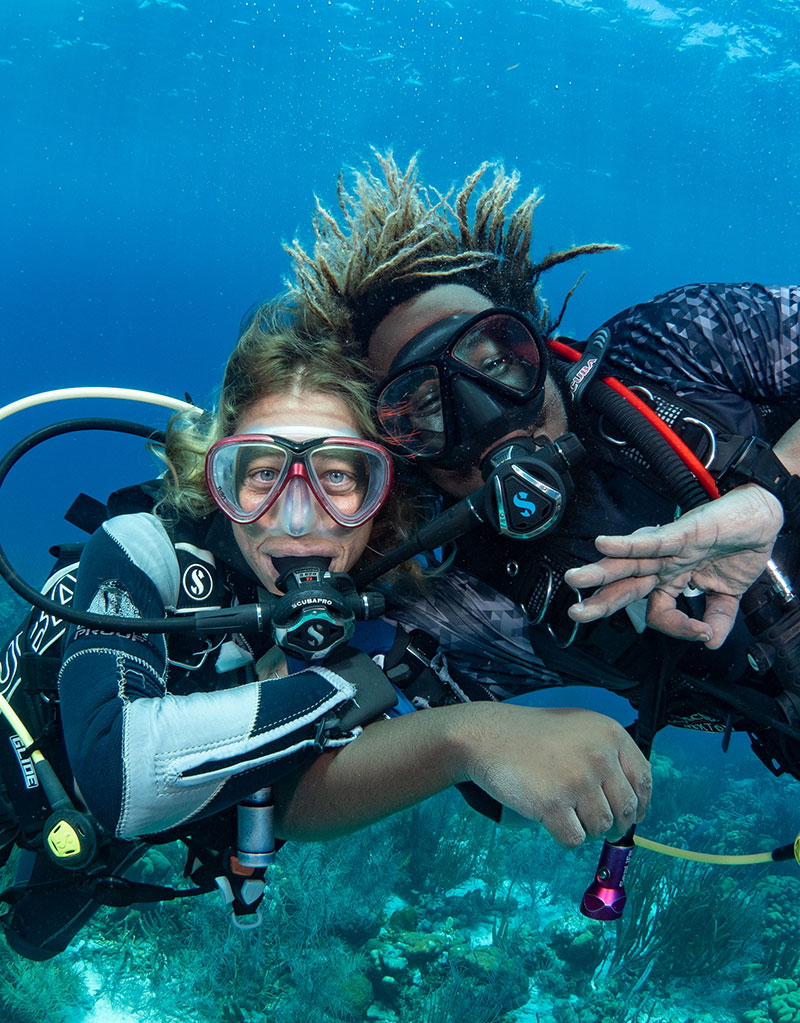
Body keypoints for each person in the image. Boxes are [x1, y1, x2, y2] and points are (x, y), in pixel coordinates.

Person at [0, 309, 650, 959]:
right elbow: (120, 774)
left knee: (33, 937)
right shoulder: (141, 548)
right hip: (42, 771)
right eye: (259, 473)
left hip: (104, 834)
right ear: (215, 481)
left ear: (382, 497)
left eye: (339, 475)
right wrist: (426, 714)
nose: (300, 515)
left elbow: (491, 786)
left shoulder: (372, 607)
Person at [284, 150, 800, 774]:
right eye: (426, 406)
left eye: (497, 362)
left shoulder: (675, 349)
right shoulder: (476, 607)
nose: (487, 416)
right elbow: (302, 777)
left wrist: (777, 488)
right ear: (400, 450)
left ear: (536, 341)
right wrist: (467, 740)